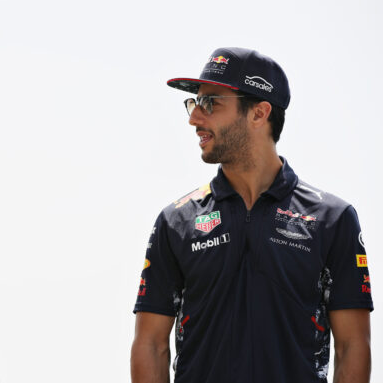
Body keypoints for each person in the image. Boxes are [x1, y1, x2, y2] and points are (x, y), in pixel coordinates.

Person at [131, 47, 372, 383]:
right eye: (193, 103)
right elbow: (151, 343)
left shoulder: (333, 218)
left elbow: (352, 346)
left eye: (210, 103)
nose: (194, 118)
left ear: (259, 113)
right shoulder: (176, 222)